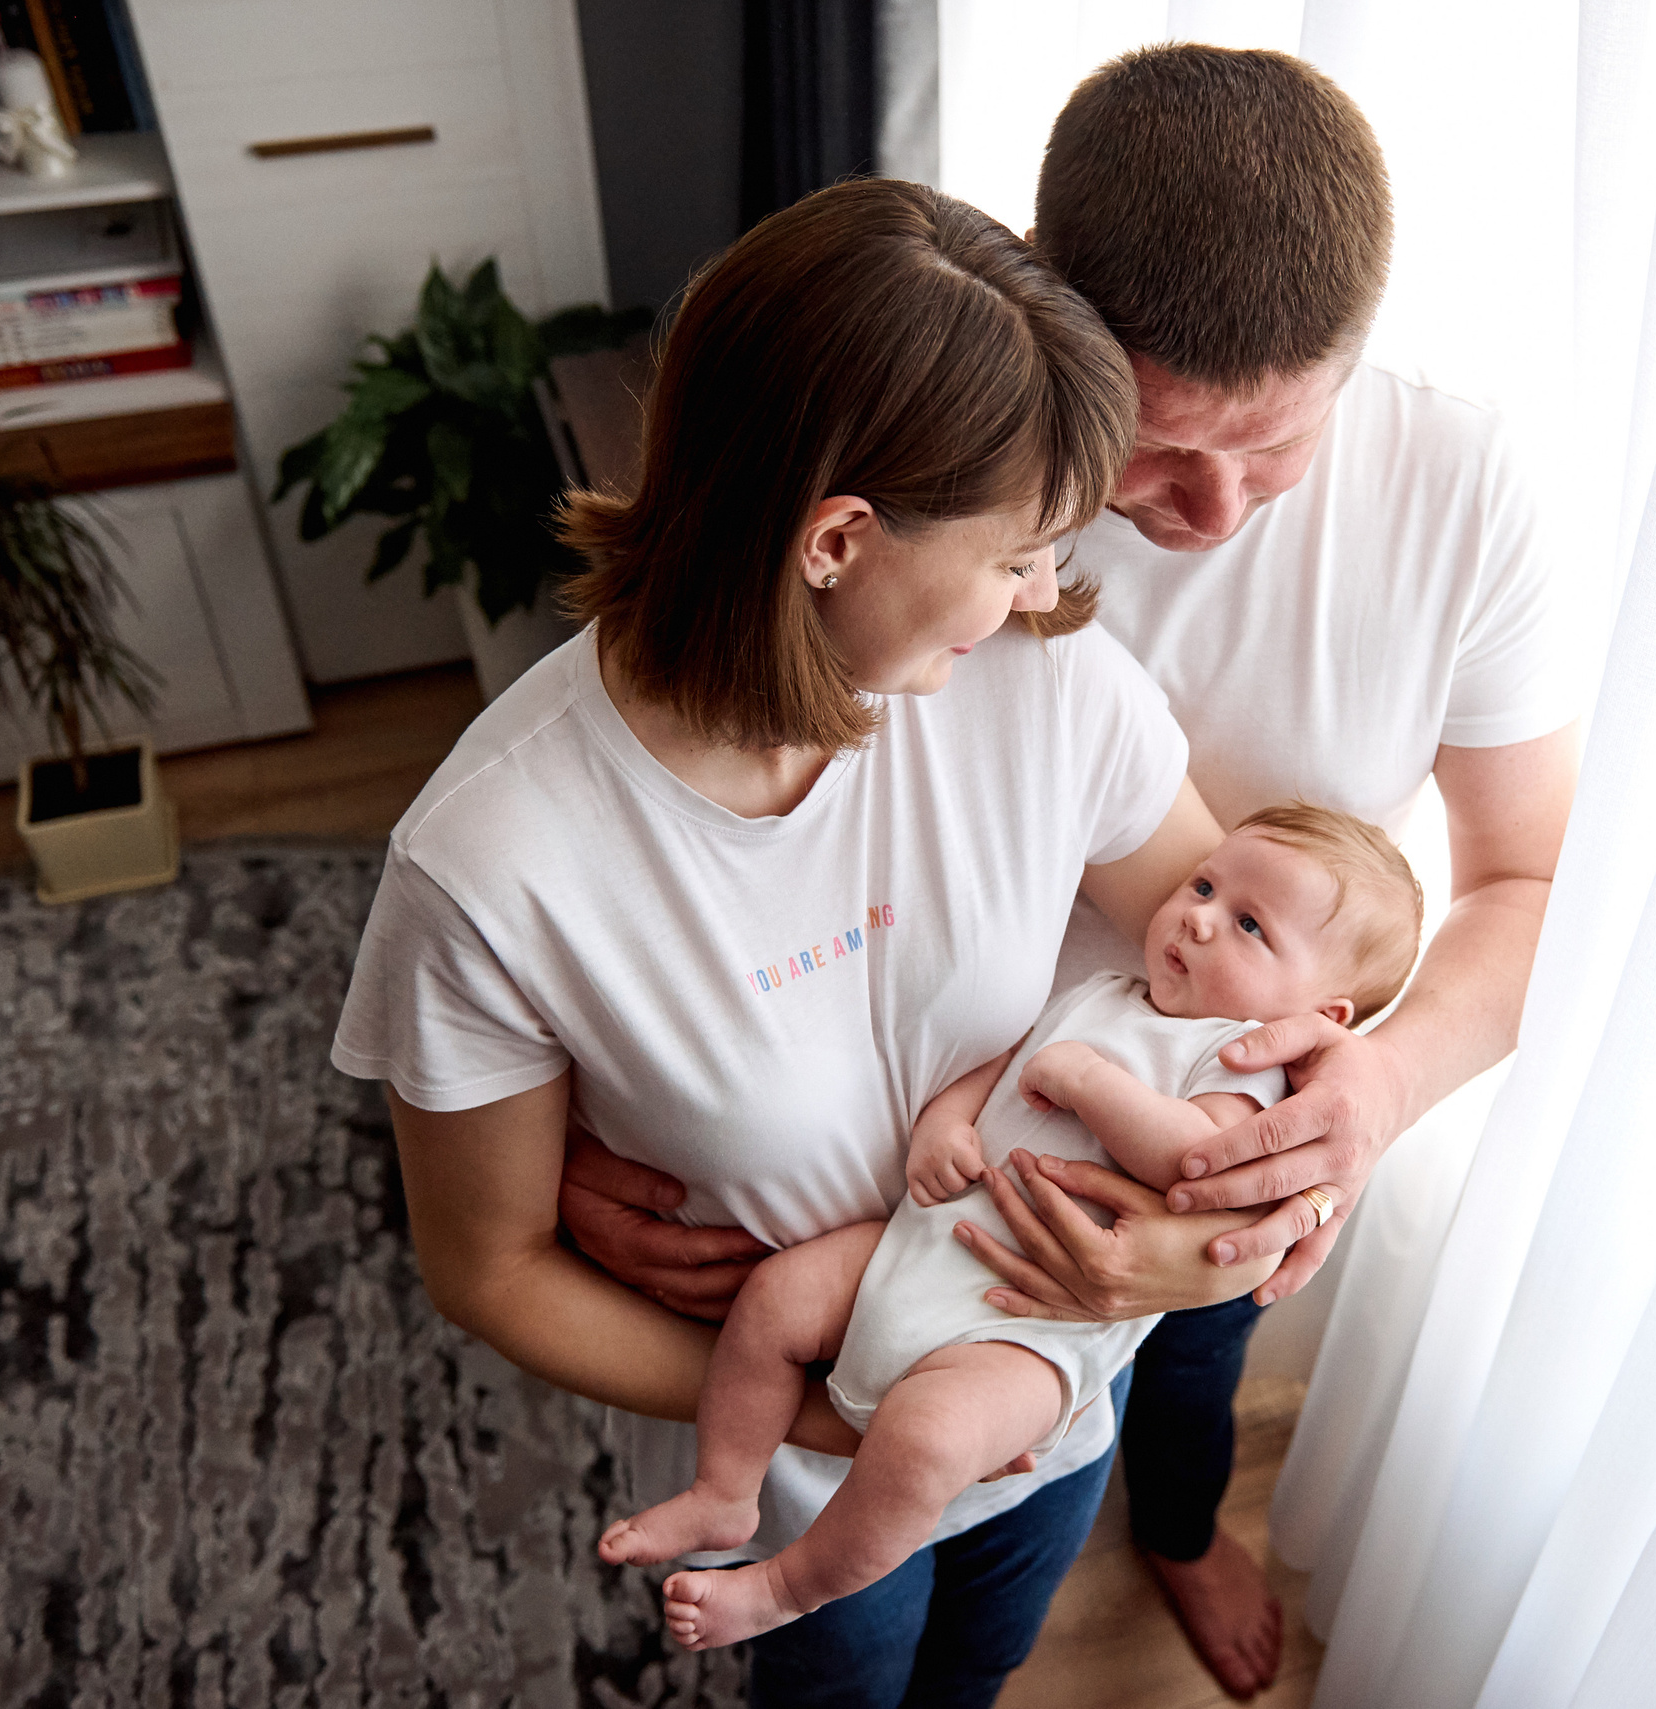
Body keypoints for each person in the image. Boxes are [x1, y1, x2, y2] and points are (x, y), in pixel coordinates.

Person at [561, 46, 1584, 1699]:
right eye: (1163, 451)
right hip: (894, 1122)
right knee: (867, 1534)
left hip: (1217, 1129)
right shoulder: (947, 485)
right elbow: (698, 776)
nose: (1215, 507)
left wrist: (1365, 1098)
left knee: (1182, 1389)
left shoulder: (1468, 496)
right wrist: (598, 1123)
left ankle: (1175, 1530)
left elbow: (1527, 880)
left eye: (1281, 444)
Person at [330, 177, 1276, 1709]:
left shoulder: (1041, 680)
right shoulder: (492, 864)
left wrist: (1203, 1244)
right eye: (1022, 548)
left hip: (1049, 1410)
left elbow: (1256, 993)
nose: (1050, 590)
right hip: (785, 1473)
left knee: (983, 1661)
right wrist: (832, 1423)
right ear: (839, 538)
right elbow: (488, 1264)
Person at [601, 807, 1423, 1653]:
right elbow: (998, 1060)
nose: (1200, 916)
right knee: (777, 1295)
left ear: (1323, 1016)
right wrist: (948, 1124)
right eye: (1205, 883)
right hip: (927, 1242)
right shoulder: (1106, 991)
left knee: (924, 1445)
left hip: (1028, 1333)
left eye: (1250, 925)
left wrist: (1091, 1081)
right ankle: (725, 1487)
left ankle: (786, 1585)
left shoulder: (1243, 1066)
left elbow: (1197, 1161)